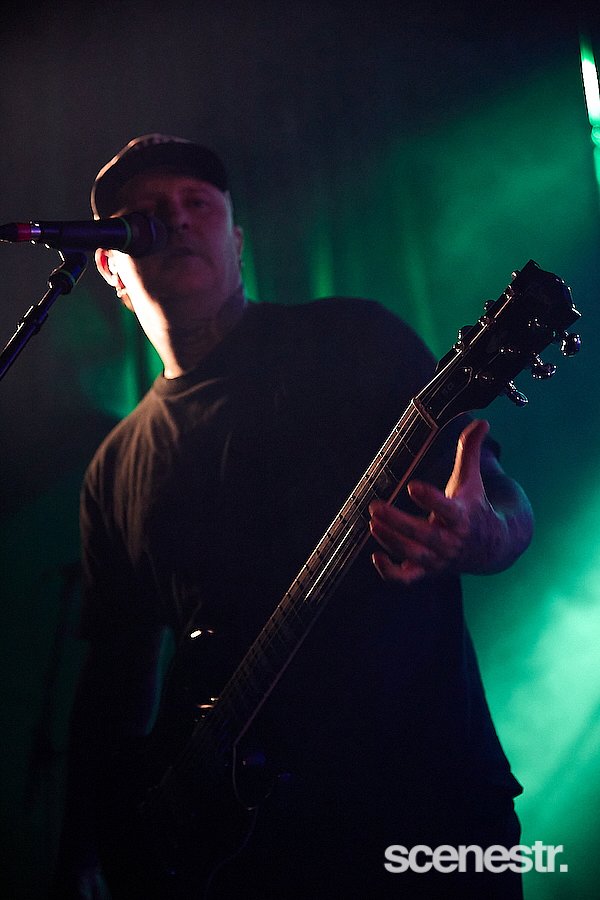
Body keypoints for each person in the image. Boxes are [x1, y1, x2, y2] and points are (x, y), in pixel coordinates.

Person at [52, 133, 533, 900]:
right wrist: (87, 847)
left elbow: (502, 498)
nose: (176, 220)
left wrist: (483, 534)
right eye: (146, 212)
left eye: (197, 203)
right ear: (108, 264)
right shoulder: (113, 469)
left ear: (237, 241)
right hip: (251, 858)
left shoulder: (352, 338)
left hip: (430, 811)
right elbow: (119, 683)